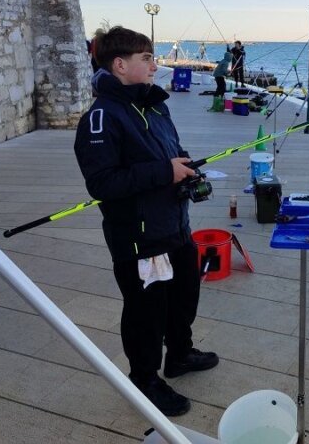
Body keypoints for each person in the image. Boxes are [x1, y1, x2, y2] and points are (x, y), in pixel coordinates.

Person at [74, 26, 218, 416]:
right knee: (145, 313)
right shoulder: (100, 118)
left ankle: (180, 354)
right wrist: (163, 172)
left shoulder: (154, 105)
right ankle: (145, 379)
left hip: (174, 225)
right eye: (147, 58)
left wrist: (184, 169)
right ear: (120, 65)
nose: (155, 66)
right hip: (139, 239)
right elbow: (102, 183)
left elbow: (171, 151)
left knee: (185, 294)